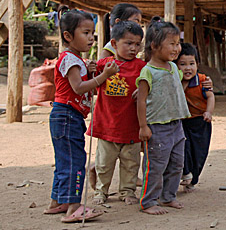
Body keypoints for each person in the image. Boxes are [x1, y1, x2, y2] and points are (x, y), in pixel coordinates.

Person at [44, 9, 118, 223]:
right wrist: (103, 76)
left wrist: (92, 72)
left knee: (64, 160)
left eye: (92, 33)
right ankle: (74, 207)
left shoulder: (74, 60)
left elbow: (83, 86)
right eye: (85, 33)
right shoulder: (71, 60)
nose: (91, 38)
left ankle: (58, 201)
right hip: (67, 115)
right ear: (68, 36)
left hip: (64, 116)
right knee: (75, 161)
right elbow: (78, 88)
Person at [87, 21, 146, 206]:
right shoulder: (104, 64)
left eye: (137, 44)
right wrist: (90, 69)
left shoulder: (142, 67)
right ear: (114, 44)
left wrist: (145, 91)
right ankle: (101, 191)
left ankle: (127, 191)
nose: (133, 48)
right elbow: (89, 80)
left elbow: (152, 85)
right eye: (128, 43)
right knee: (104, 164)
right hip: (107, 126)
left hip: (132, 127)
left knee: (131, 163)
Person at [136, 20, 191, 215]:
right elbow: (141, 101)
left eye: (178, 43)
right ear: (154, 46)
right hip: (157, 126)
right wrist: (143, 127)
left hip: (176, 124)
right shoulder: (148, 72)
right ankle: (148, 201)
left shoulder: (173, 68)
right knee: (156, 166)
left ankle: (168, 196)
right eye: (172, 43)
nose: (177, 48)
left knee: (177, 163)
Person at [175, 43, 215, 192]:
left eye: (191, 64)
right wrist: (184, 82)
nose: (187, 68)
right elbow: (178, 94)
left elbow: (211, 97)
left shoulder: (203, 80)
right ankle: (186, 173)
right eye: (182, 64)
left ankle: (193, 179)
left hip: (200, 121)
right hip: (183, 121)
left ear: (197, 64)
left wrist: (209, 112)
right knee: (184, 148)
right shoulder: (175, 81)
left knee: (199, 152)